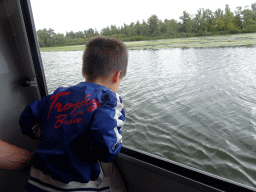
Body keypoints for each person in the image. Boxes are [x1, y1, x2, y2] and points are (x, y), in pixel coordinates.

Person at [19, 37, 128, 192]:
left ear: (84, 70)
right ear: (117, 76)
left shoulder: (57, 95)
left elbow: (26, 119)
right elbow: (106, 149)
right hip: (78, 186)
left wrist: (48, 132)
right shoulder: (110, 99)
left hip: (37, 181)